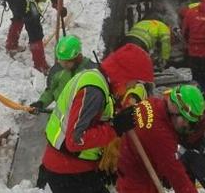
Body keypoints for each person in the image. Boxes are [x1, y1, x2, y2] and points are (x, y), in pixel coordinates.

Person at [41, 44, 154, 193]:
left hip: (74, 167)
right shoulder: (94, 91)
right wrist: (115, 128)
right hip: (68, 172)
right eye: (133, 82)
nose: (132, 87)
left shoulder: (99, 81)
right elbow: (75, 140)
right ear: (123, 75)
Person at [116, 84, 205, 193]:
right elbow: (177, 177)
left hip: (131, 170)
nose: (187, 127)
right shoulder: (161, 135)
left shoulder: (153, 103)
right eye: (188, 122)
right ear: (175, 110)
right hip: (138, 184)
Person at [29, 35, 96, 114]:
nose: (63, 64)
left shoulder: (91, 71)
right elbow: (51, 91)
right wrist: (41, 103)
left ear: (77, 58)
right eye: (61, 60)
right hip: (62, 112)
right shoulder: (57, 71)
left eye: (67, 62)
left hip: (83, 113)